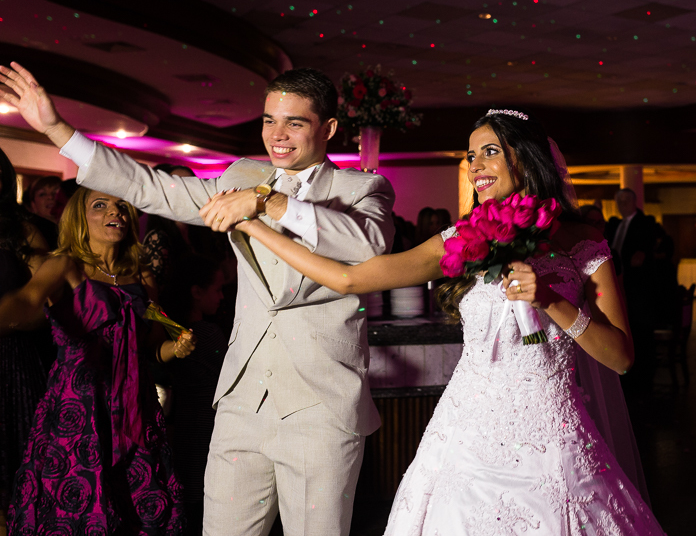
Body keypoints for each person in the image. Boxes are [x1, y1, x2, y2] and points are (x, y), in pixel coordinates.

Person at [219, 109, 665, 533]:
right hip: (465, 437)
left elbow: (621, 358)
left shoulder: (583, 244)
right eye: (471, 155)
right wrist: (255, 225)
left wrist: (550, 301)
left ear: (526, 158)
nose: (475, 165)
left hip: (552, 442)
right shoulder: (464, 239)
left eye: (490, 151)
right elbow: (348, 278)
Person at [0, 62, 395, 536]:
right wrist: (57, 130)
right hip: (241, 402)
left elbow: (368, 245)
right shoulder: (242, 174)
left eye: (295, 123)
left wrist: (268, 202)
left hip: (320, 407)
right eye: (269, 120)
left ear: (328, 128)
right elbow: (149, 187)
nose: (277, 135)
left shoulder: (361, 189)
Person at [0, 187, 196, 535]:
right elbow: (29, 300)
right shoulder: (65, 265)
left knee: (138, 507)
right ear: (80, 217)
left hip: (135, 407)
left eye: (121, 205)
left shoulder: (142, 276)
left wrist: (175, 349)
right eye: (100, 205)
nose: (114, 212)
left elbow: (151, 347)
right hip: (80, 408)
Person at [0, 147, 50, 536]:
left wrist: (14, 317)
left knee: (18, 474)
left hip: (12, 360)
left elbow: (46, 301)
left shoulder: (22, 230)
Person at [163, 255, 229, 536]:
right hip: (207, 428)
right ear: (197, 292)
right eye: (217, 289)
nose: (222, 296)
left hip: (184, 426)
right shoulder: (205, 333)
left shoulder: (169, 331)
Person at [605, 188, 657, 394]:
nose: (622, 204)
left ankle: (642, 383)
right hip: (618, 284)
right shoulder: (615, 225)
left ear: (635, 201)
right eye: (619, 200)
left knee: (640, 334)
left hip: (638, 290)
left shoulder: (645, 223)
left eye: (626, 200)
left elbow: (645, 254)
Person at [23, 176, 62, 249]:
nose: (50, 197)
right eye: (42, 194)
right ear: (33, 204)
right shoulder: (29, 233)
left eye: (56, 192)